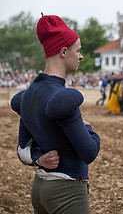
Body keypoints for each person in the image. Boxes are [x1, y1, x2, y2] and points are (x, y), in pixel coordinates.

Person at [11, 13, 100, 214]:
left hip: (40, 189)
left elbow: (22, 150)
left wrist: (38, 159)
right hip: (66, 192)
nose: (81, 56)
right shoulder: (62, 97)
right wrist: (89, 129)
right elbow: (89, 152)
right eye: (78, 51)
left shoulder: (29, 94)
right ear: (63, 51)